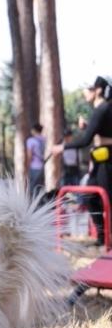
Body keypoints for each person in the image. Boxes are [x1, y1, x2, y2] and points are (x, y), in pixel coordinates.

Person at [52, 75, 112, 246]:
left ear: (97, 90)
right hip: (101, 162)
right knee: (91, 197)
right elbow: (98, 133)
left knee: (100, 198)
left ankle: (104, 239)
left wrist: (61, 148)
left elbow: (86, 140)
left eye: (87, 89)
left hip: (107, 163)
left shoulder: (103, 109)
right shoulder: (103, 109)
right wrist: (88, 128)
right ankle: (102, 239)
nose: (84, 92)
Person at [25, 123, 47, 195]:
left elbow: (29, 155)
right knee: (40, 187)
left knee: (32, 188)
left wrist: (27, 166)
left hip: (34, 167)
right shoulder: (44, 140)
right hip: (42, 167)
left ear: (34, 130)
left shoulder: (31, 140)